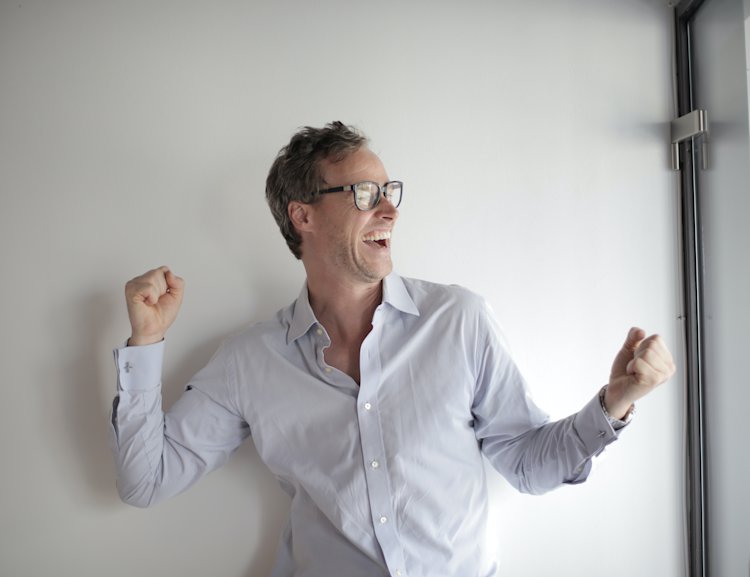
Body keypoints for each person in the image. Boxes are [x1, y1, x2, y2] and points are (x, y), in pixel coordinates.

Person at [111, 121, 676, 577]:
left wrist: (614, 403)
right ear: (302, 215)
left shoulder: (458, 321)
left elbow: (529, 465)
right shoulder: (250, 361)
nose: (390, 210)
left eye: (389, 192)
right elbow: (145, 480)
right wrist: (146, 341)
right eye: (364, 194)